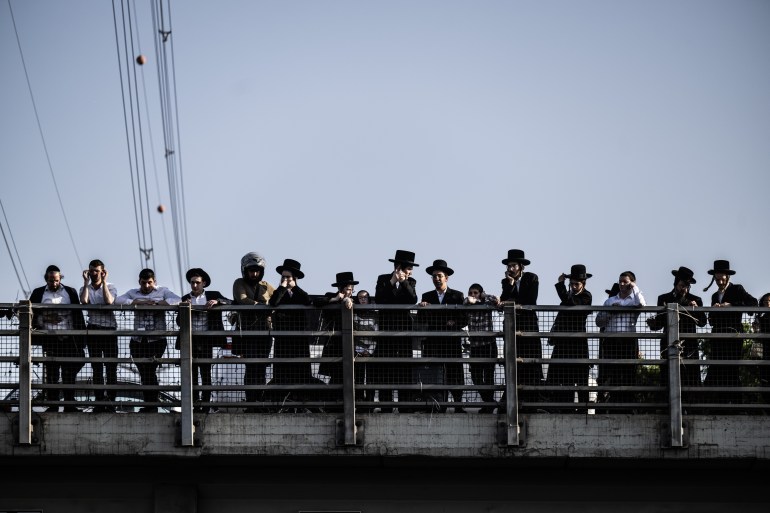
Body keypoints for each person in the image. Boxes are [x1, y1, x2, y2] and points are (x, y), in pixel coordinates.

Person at [115, 268, 181, 412]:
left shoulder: (162, 291)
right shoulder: (133, 293)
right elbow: (117, 300)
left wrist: (157, 304)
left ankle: (151, 405)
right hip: (138, 340)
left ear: (154, 281)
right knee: (144, 372)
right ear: (139, 281)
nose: (146, 286)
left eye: (149, 283)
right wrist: (136, 302)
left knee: (150, 370)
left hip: (156, 340)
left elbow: (177, 299)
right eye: (144, 283)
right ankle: (150, 404)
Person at [646, 266, 707, 407]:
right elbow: (659, 324)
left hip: (690, 346)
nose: (683, 289)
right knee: (667, 377)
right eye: (681, 285)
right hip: (668, 344)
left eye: (686, 286)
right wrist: (652, 323)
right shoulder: (663, 298)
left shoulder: (696, 299)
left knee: (691, 378)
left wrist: (696, 309)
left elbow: (702, 323)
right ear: (676, 284)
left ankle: (691, 409)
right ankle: (667, 407)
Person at [29, 265, 86, 412]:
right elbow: (32, 314)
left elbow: (77, 314)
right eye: (50, 280)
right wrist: (45, 319)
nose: (53, 283)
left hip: (68, 337)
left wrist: (81, 337)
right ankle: (53, 404)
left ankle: (69, 404)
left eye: (56, 280)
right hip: (49, 338)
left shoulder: (70, 292)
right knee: (52, 371)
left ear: (60, 278)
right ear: (46, 279)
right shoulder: (38, 293)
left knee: (69, 371)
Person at [702, 260, 757, 405]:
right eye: (717, 279)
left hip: (733, 336)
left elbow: (753, 303)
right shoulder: (714, 296)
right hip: (718, 337)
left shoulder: (737, 289)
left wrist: (732, 305)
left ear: (727, 277)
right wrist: (713, 310)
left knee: (732, 369)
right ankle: (720, 404)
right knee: (716, 369)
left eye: (722, 279)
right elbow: (712, 321)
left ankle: (736, 404)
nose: (720, 282)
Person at [177, 268, 231, 413]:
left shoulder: (213, 295)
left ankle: (206, 405)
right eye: (192, 283)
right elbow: (178, 322)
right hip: (190, 340)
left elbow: (231, 301)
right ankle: (194, 405)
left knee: (206, 373)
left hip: (206, 340)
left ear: (204, 283)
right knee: (191, 374)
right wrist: (184, 308)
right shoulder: (185, 298)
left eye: (197, 283)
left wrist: (217, 301)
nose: (194, 286)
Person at [373, 249, 419, 413]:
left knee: (405, 370)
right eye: (408, 268)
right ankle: (386, 406)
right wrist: (393, 281)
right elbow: (379, 299)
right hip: (386, 333)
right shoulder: (383, 279)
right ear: (399, 267)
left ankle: (405, 406)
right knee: (385, 370)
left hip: (404, 334)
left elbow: (413, 299)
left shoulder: (411, 281)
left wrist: (404, 282)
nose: (410, 272)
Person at [418, 259, 467, 412]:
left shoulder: (457, 296)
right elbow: (420, 319)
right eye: (434, 276)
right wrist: (423, 308)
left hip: (451, 341)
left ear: (446, 277)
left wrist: (455, 322)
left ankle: (458, 405)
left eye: (439, 275)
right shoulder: (427, 295)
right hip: (433, 341)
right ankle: (437, 405)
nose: (436, 279)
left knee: (455, 372)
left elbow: (464, 318)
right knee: (434, 373)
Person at [498, 249, 542, 410]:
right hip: (512, 327)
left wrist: (512, 297)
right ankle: (511, 400)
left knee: (530, 363)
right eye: (509, 266)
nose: (510, 269)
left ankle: (532, 402)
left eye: (513, 266)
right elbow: (504, 300)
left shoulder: (531, 278)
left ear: (521, 266)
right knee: (512, 362)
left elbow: (530, 300)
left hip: (528, 327)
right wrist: (509, 286)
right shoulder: (506, 282)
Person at [595, 271, 646, 408]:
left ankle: (628, 406)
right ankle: (613, 406)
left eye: (625, 281)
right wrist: (610, 311)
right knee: (613, 373)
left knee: (629, 373)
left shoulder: (634, 300)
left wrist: (634, 287)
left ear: (631, 283)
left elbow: (642, 304)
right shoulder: (610, 301)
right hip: (612, 341)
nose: (622, 284)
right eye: (620, 281)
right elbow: (599, 321)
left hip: (628, 341)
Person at [545, 264, 593, 411]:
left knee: (579, 377)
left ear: (583, 283)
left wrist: (560, 285)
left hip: (577, 343)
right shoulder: (570, 295)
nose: (573, 286)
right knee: (561, 375)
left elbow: (570, 303)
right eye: (571, 284)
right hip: (563, 342)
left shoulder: (586, 296)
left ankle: (583, 409)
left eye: (576, 284)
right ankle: (565, 407)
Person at [231, 252, 275, 412]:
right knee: (251, 368)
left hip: (265, 332)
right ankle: (251, 403)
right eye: (251, 270)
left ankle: (260, 402)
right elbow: (242, 299)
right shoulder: (239, 283)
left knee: (261, 367)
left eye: (257, 271)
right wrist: (262, 306)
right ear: (245, 270)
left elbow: (277, 299)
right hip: (248, 332)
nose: (254, 274)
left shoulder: (266, 285)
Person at [268, 258, 315, 407]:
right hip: (283, 338)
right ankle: (282, 401)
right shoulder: (279, 291)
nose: (285, 279)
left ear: (294, 277)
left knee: (300, 370)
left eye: (288, 277)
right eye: (283, 276)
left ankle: (300, 400)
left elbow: (308, 300)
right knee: (282, 370)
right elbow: (273, 302)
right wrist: (282, 287)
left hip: (298, 339)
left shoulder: (299, 292)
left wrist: (294, 287)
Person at [315, 272, 364, 410]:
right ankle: (333, 405)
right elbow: (317, 302)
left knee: (349, 375)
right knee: (335, 376)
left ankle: (347, 404)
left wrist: (348, 300)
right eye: (348, 289)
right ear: (341, 289)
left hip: (350, 344)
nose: (351, 291)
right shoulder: (330, 296)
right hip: (334, 344)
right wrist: (335, 299)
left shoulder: (353, 300)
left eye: (352, 289)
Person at [79, 259, 119, 413]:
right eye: (91, 270)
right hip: (93, 329)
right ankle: (99, 401)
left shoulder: (111, 287)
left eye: (96, 271)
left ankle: (111, 401)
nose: (94, 273)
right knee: (97, 367)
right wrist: (85, 283)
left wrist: (104, 283)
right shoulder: (85, 288)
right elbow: (83, 301)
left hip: (109, 330)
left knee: (111, 367)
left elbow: (109, 301)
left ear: (102, 271)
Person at [464, 283, 499, 413]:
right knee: (475, 376)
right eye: (471, 292)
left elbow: (496, 300)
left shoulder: (487, 303)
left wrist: (483, 296)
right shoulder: (467, 303)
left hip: (488, 345)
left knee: (488, 376)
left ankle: (488, 406)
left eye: (476, 292)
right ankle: (489, 402)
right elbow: (465, 300)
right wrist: (470, 300)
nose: (473, 295)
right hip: (475, 346)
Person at [752, 293, 770, 407]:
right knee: (765, 380)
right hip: (766, 353)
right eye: (765, 302)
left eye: (769, 301)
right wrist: (756, 330)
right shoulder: (761, 319)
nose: (768, 303)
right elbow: (757, 337)